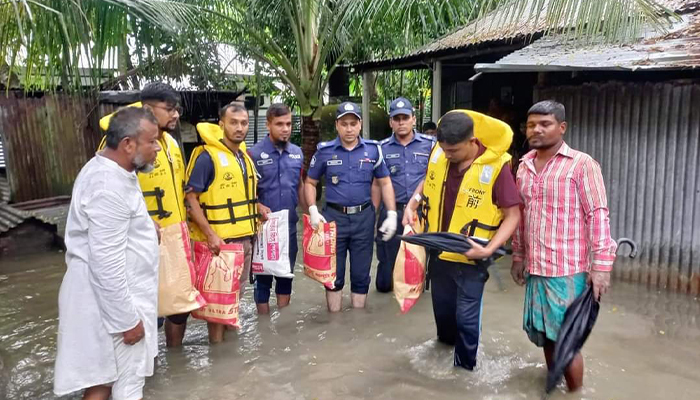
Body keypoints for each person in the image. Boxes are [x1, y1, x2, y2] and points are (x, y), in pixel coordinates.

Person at [54, 107, 161, 400]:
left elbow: (114, 225)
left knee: (103, 381)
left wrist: (144, 225)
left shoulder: (114, 171)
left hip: (107, 299)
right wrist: (127, 321)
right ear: (128, 144)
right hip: (112, 303)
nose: (157, 148)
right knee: (126, 385)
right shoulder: (107, 186)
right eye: (152, 141)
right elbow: (106, 264)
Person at [511, 100, 617, 391]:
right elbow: (520, 215)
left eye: (544, 124)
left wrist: (601, 268)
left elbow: (598, 215)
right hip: (536, 267)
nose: (536, 130)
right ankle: (554, 385)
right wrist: (518, 255)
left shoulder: (582, 165)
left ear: (562, 127)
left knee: (566, 340)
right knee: (546, 335)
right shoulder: (523, 167)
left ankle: (574, 394)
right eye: (531, 124)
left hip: (566, 271)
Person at [403, 110, 521, 370]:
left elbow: (513, 215)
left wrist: (489, 249)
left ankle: (465, 376)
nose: (447, 155)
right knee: (444, 322)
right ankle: (443, 370)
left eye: (453, 151)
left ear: (472, 142)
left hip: (472, 259)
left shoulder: (496, 167)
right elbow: (428, 180)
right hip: (439, 252)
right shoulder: (440, 154)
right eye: (444, 150)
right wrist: (412, 204)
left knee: (466, 323)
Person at [98, 82, 189, 348]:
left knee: (178, 305)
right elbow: (112, 190)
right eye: (169, 109)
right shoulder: (122, 144)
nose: (175, 115)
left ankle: (175, 359)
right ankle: (147, 362)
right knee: (147, 304)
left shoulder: (170, 142)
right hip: (143, 235)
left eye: (177, 109)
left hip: (175, 234)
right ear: (148, 108)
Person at [304, 102, 397, 312]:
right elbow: (310, 182)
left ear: (360, 124)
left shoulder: (373, 150)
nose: (349, 128)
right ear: (337, 125)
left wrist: (391, 213)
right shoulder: (325, 151)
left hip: (364, 218)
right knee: (333, 275)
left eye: (353, 123)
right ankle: (335, 324)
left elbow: (385, 182)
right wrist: (312, 209)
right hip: (333, 219)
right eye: (344, 124)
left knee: (361, 274)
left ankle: (357, 323)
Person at [185, 102, 259, 343]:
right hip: (220, 244)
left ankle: (230, 357)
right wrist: (210, 235)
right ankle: (217, 356)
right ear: (221, 125)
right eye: (233, 122)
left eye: (243, 123)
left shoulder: (242, 157)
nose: (239, 128)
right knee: (217, 307)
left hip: (244, 240)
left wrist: (259, 209)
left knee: (234, 299)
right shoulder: (207, 157)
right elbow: (191, 198)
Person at [371, 97, 435, 292]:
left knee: (418, 267)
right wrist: (372, 218)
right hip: (392, 213)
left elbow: (434, 178)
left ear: (413, 119)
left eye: (405, 118)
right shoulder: (380, 148)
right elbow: (376, 185)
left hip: (421, 213)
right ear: (391, 122)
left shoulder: (430, 145)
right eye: (396, 118)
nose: (401, 122)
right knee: (385, 282)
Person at [249, 103, 306, 314]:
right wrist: (256, 205)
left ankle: (283, 323)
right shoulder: (253, 154)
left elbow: (299, 185)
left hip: (289, 227)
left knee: (286, 275)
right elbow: (246, 192)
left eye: (289, 124)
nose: (285, 129)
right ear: (268, 124)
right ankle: (263, 325)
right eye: (280, 124)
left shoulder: (297, 153)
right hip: (263, 228)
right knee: (262, 279)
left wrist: (310, 213)